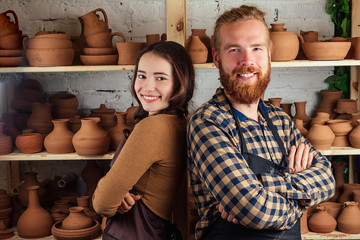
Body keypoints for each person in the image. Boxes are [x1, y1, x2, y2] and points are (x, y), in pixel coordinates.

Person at [187, 5, 335, 240]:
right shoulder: (207, 123)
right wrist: (301, 201)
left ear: (268, 54)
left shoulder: (281, 121)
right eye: (234, 49)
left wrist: (261, 187)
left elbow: (327, 179)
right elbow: (254, 210)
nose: (247, 60)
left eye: (256, 48)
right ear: (216, 58)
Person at [92, 41, 195, 240]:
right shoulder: (181, 122)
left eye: (161, 78)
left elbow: (102, 204)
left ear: (179, 83)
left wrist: (109, 190)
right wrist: (120, 192)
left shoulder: (153, 128)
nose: (148, 87)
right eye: (142, 76)